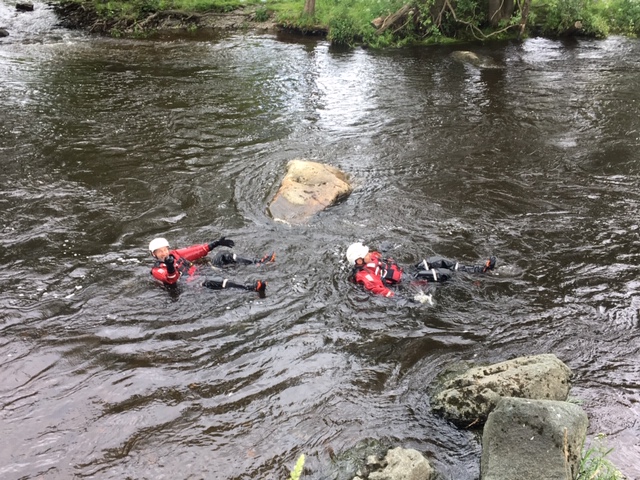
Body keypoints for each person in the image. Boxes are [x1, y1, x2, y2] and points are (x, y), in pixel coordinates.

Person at [346, 242, 496, 298]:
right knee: (443, 275)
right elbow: (382, 291)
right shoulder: (366, 276)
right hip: (405, 282)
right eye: (365, 254)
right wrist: (409, 300)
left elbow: (378, 255)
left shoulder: (369, 258)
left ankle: (479, 270)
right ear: (359, 261)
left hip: (407, 271)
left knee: (437, 261)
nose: (369, 254)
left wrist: (385, 248)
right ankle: (471, 284)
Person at [148, 237, 275, 294]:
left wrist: (215, 243)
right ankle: (252, 288)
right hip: (193, 284)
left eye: (165, 249)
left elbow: (195, 251)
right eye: (160, 251)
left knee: (223, 255)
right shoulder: (157, 270)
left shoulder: (175, 254)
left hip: (201, 272)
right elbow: (171, 279)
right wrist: (170, 267)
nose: (164, 253)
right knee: (217, 281)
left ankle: (259, 262)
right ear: (155, 255)